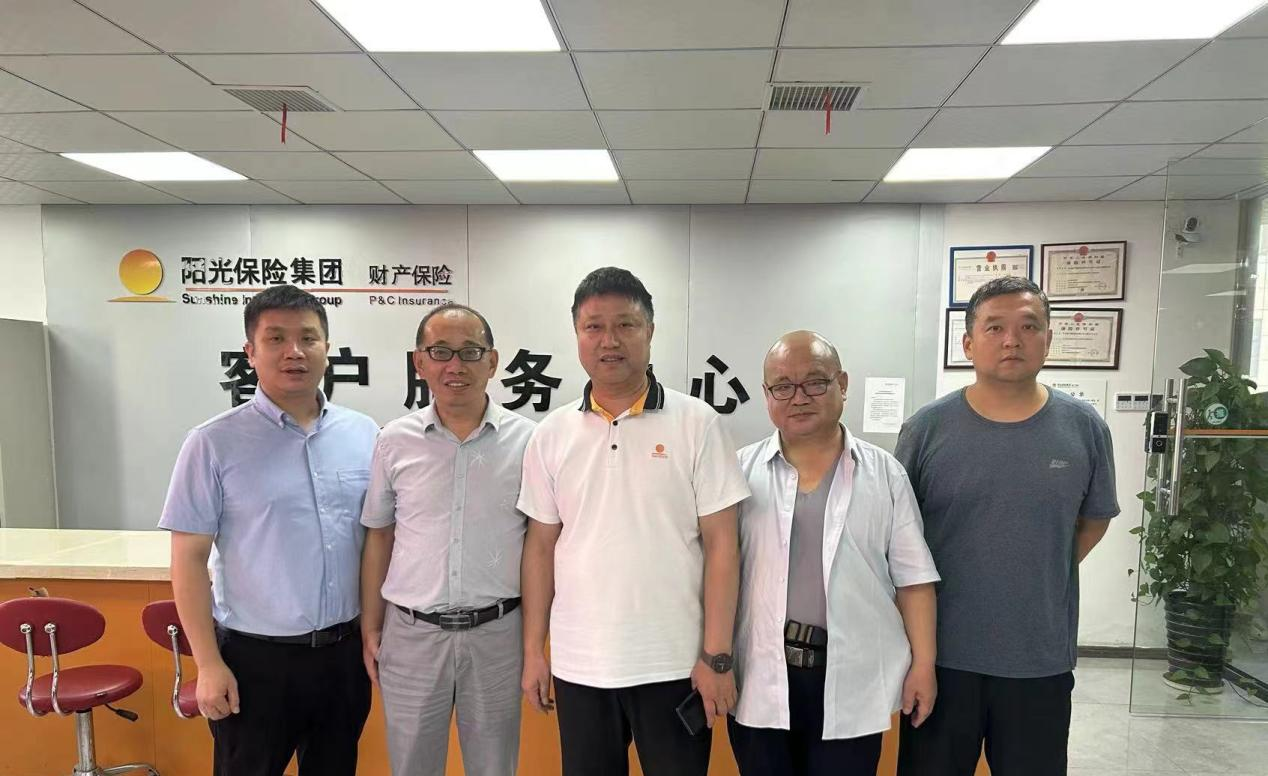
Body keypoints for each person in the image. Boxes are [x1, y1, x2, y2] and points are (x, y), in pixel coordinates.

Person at [517, 267, 750, 776]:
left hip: (674, 664)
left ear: (650, 331)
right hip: (580, 665)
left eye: (625, 324)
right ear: (577, 334)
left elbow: (722, 545)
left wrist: (717, 656)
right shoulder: (551, 434)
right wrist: (534, 651)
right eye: (594, 327)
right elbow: (540, 547)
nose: (610, 340)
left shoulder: (698, 423)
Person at [896, 276, 1119, 776]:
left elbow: (1094, 519)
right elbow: (897, 538)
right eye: (994, 327)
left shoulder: (1084, 427)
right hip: (941, 657)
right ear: (968, 343)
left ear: (1048, 339)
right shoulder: (927, 429)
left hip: (1038, 658)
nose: (1012, 340)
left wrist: (1035, 562)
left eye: (1028, 327)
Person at [160, 284, 378, 776]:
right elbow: (188, 560)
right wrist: (208, 664)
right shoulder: (213, 443)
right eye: (276, 338)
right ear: (250, 352)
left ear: (327, 348)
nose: (294, 351)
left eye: (308, 338)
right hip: (254, 662)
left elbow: (376, 543)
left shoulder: (364, 434)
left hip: (343, 658)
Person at [730, 330, 939, 776]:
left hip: (853, 676)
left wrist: (924, 665)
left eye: (815, 382)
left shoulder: (885, 474)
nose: (798, 397)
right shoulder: (739, 473)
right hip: (761, 672)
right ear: (766, 395)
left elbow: (914, 581)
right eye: (782, 386)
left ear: (842, 384)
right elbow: (718, 576)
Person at [360, 304, 535, 776]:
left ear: (492, 361)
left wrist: (536, 641)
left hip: (498, 635)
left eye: (470, 352)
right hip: (412, 635)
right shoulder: (393, 440)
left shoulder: (529, 441)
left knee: (495, 768)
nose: (455, 365)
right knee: (412, 767)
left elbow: (541, 547)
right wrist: (371, 626)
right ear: (419, 362)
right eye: (440, 352)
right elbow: (379, 536)